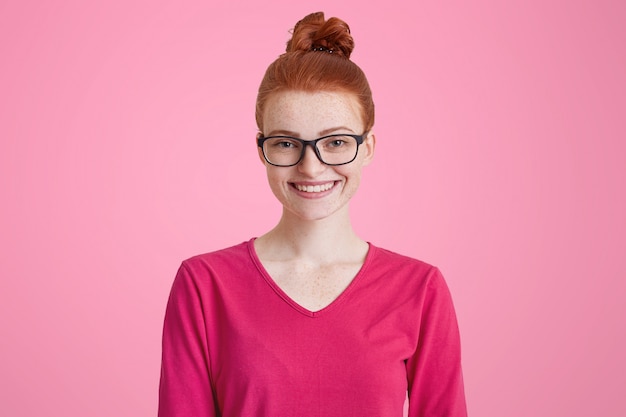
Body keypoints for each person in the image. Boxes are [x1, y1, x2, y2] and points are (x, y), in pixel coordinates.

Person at [158, 11, 467, 417]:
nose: (311, 167)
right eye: (286, 143)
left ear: (368, 147)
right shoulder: (204, 286)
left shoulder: (420, 290)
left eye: (335, 142)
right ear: (261, 149)